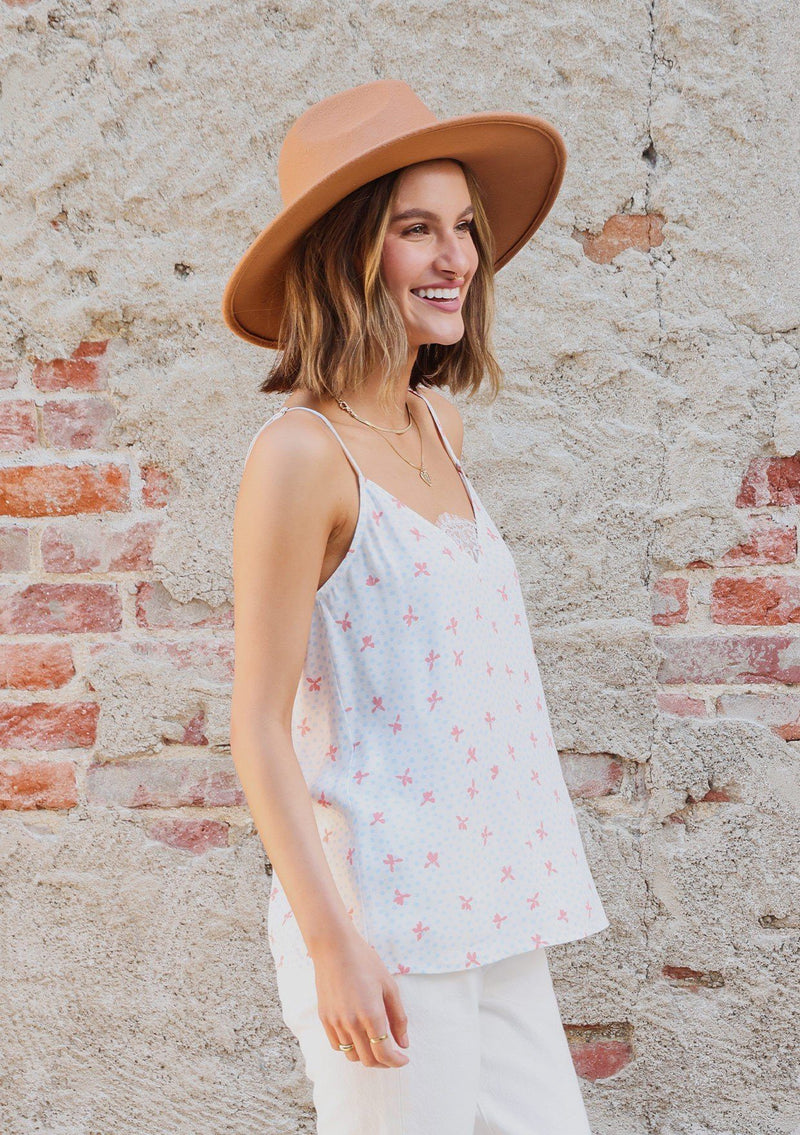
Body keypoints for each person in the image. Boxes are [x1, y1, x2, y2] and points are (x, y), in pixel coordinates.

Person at [225, 79, 610, 1135]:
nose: (455, 259)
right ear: (349, 253)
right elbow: (255, 725)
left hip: (495, 910)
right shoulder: (301, 456)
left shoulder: (438, 424)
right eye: (414, 230)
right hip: (382, 920)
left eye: (463, 230)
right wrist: (329, 943)